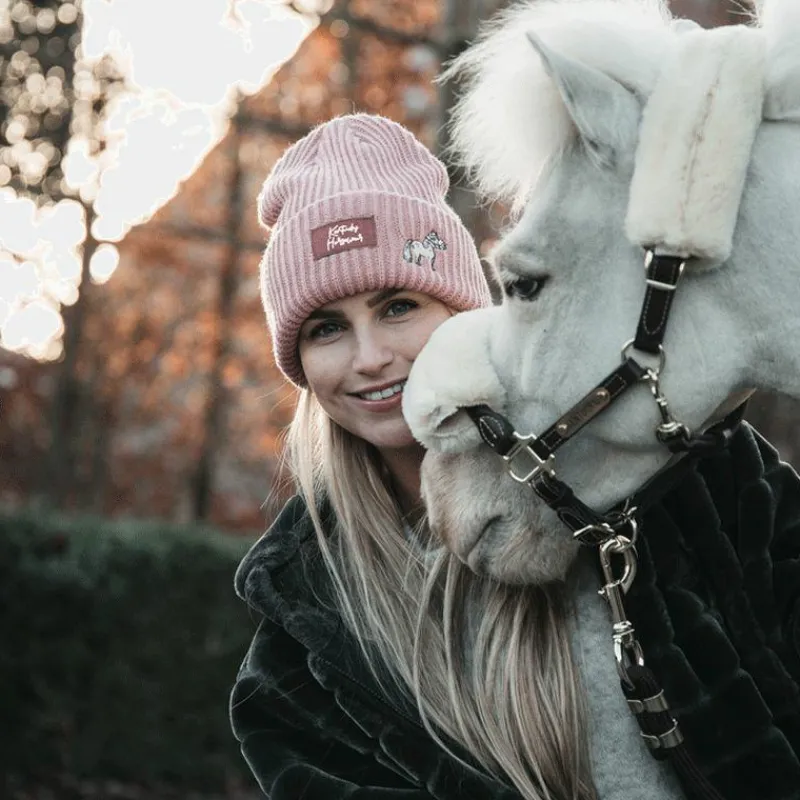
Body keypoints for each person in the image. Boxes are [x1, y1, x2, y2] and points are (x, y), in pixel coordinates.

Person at [229, 113, 800, 800]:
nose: (371, 357)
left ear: (464, 310)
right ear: (300, 361)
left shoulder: (687, 474)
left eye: (398, 306)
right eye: (327, 329)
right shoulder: (302, 639)